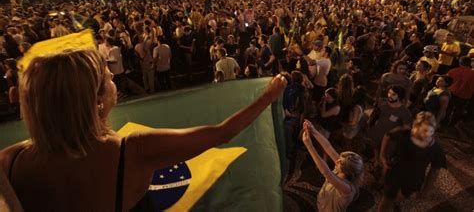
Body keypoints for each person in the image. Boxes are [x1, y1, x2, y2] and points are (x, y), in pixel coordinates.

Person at [0, 49, 287, 211]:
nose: (113, 77)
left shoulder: (8, 162)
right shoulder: (132, 151)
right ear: (97, 102)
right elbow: (221, 133)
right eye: (107, 77)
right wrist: (268, 95)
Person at [377, 112, 446, 212]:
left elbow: (435, 169)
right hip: (394, 174)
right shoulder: (405, 134)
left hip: (413, 180)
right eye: (424, 130)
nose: (428, 134)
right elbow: (388, 135)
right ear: (417, 127)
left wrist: (426, 189)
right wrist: (382, 156)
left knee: (400, 197)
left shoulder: (435, 149)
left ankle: (396, 202)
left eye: (431, 131)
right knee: (387, 200)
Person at [302, 120, 364, 212]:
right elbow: (328, 147)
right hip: (323, 204)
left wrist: (309, 146)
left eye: (339, 162)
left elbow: (326, 172)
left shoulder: (348, 189)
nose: (337, 160)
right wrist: (314, 131)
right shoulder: (342, 168)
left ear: (346, 170)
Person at [447, 56, 474, 124]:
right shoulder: (472, 74)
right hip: (464, 95)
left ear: (459, 63)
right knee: (459, 109)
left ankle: (445, 121)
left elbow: (446, 82)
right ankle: (453, 123)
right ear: (470, 64)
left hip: (452, 92)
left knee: (449, 107)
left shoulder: (452, 71)